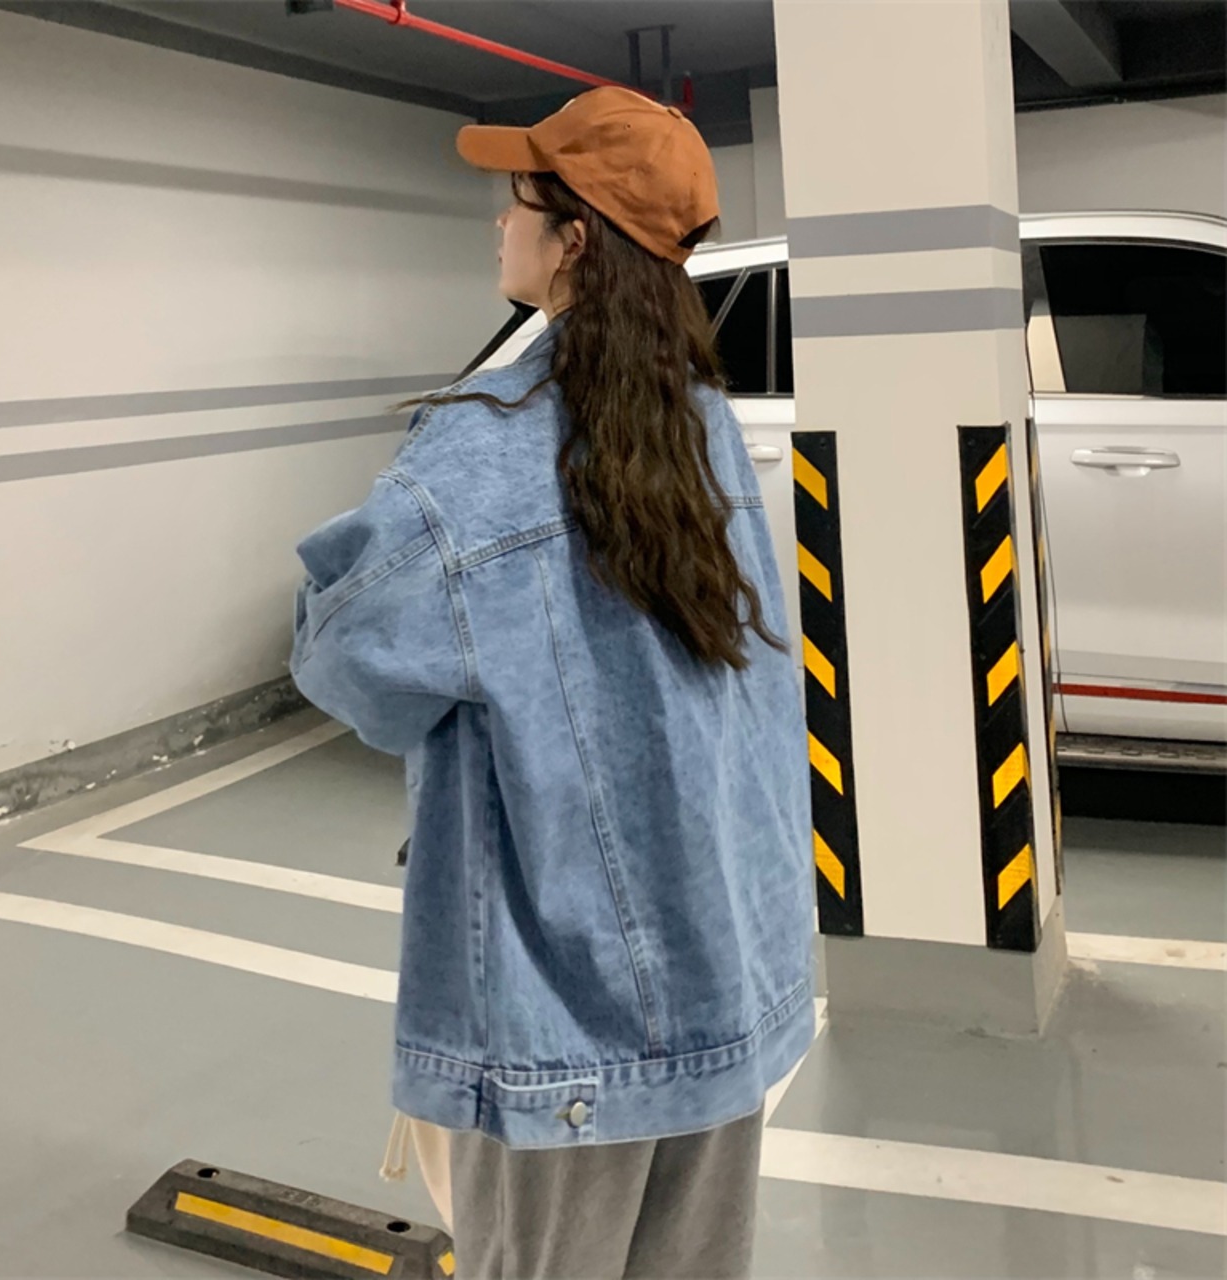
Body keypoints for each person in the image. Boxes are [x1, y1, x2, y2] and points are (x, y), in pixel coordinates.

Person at [291, 85, 815, 1280]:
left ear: (572, 239)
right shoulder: (701, 423)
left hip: (563, 1004)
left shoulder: (486, 444)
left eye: (518, 202)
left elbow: (347, 656)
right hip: (725, 964)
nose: (498, 222)